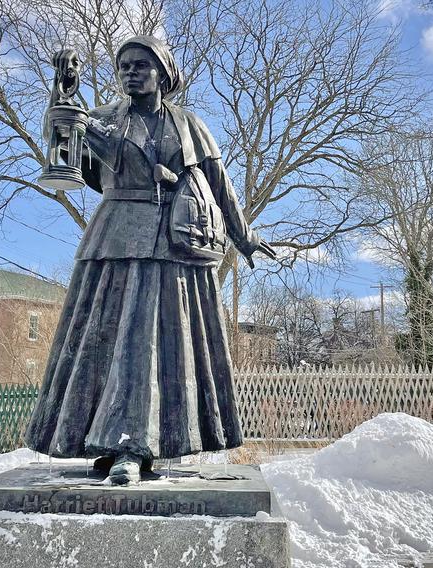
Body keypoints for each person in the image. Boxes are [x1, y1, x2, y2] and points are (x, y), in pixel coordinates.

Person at [25, 35, 276, 484]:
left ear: (163, 73)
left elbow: (218, 182)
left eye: (141, 65)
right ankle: (101, 439)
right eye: (123, 67)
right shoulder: (102, 118)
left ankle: (136, 444)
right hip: (114, 236)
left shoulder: (188, 124)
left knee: (152, 345)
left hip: (169, 244)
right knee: (101, 341)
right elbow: (62, 138)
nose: (130, 73)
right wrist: (59, 93)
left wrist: (245, 237)